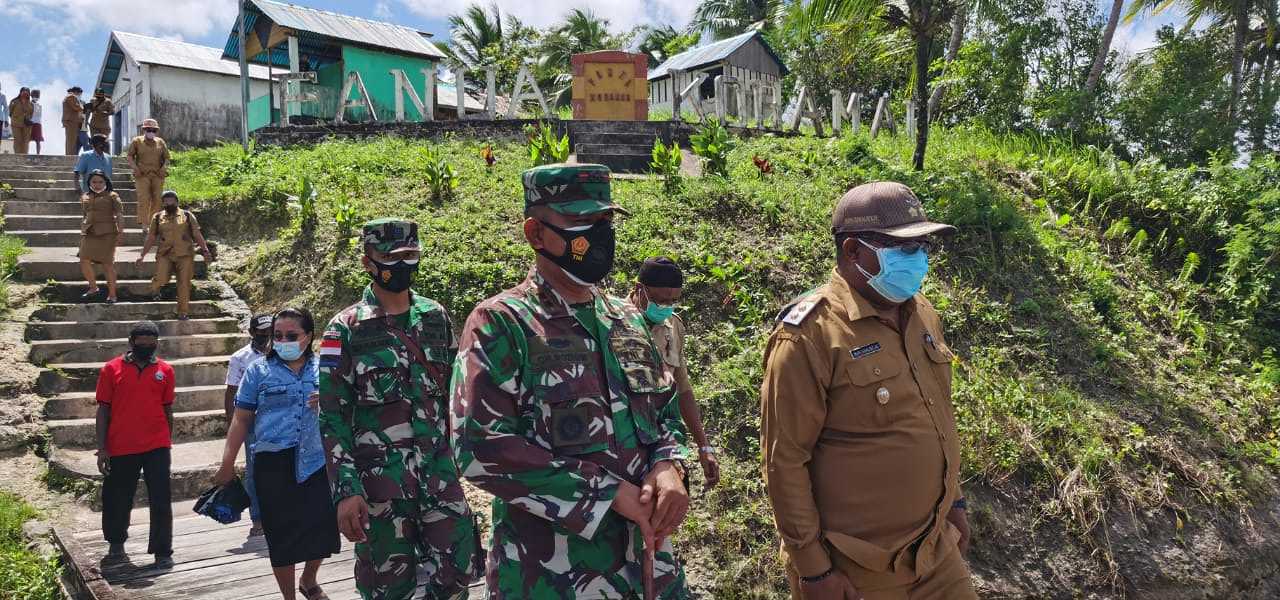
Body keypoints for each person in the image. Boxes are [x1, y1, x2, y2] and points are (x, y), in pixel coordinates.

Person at [451, 163, 693, 599]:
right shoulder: (501, 325)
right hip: (550, 577)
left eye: (604, 221)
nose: (598, 235)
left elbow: (665, 414)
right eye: (581, 222)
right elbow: (478, 447)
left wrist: (669, 466)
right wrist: (604, 493)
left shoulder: (629, 321)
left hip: (649, 570)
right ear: (536, 233)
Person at [760, 181, 975, 600]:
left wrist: (955, 503)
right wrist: (814, 571)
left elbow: (935, 416)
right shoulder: (809, 336)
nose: (917, 260)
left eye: (922, 247)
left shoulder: (922, 312)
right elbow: (783, 460)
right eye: (902, 248)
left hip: (935, 551)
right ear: (853, 251)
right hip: (857, 569)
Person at [318, 219, 482, 600]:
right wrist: (345, 490)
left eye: (410, 255)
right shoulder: (343, 329)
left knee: (458, 572)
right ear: (368, 263)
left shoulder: (435, 317)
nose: (402, 264)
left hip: (439, 475)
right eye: (391, 257)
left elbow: (453, 396)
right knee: (387, 586)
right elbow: (331, 414)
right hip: (380, 485)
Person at [215, 308, 340, 600]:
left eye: (291, 335)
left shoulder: (324, 370)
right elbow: (241, 418)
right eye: (278, 335)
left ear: (308, 337)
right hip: (273, 464)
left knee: (322, 528)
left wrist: (329, 401)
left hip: (316, 461)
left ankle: (309, 581)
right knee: (281, 534)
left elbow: (346, 412)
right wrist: (227, 463)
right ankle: (289, 596)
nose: (283, 341)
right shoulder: (258, 371)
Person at [628, 257, 719, 490]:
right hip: (625, 449)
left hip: (663, 447)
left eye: (673, 301)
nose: (666, 307)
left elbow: (683, 389)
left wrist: (704, 446)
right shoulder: (611, 322)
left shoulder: (673, 327)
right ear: (640, 289)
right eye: (660, 300)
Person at [95, 320, 175, 567]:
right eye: (141, 345)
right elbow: (103, 410)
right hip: (121, 445)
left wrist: (166, 441)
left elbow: (167, 408)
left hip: (157, 445)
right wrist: (103, 447)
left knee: (161, 498)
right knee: (117, 497)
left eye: (151, 345)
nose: (146, 349)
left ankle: (163, 551)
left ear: (156, 344)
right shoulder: (111, 369)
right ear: (131, 343)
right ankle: (116, 544)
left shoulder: (166, 370)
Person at [223, 313, 275, 538]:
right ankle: (258, 519)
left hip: (279, 418)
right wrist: (232, 423)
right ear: (252, 332)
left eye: (269, 332)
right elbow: (231, 391)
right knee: (254, 470)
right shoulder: (240, 358)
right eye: (261, 332)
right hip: (252, 421)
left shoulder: (282, 353)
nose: (266, 336)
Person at [135, 191, 213, 321]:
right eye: (166, 201)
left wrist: (205, 250)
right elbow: (151, 237)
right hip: (165, 253)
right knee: (162, 278)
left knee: (184, 283)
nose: (169, 203)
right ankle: (156, 287)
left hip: (185, 254)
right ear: (163, 203)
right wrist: (142, 255)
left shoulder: (187, 215)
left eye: (172, 201)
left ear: (177, 202)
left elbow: (196, 234)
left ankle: (183, 312)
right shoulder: (158, 217)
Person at [78, 170, 124, 303]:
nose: (97, 184)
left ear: (106, 182)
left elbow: (120, 215)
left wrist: (120, 233)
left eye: (100, 182)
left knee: (107, 264)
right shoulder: (85, 196)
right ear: (89, 183)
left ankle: (112, 294)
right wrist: (83, 231)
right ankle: (93, 287)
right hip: (89, 232)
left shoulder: (112, 196)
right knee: (83, 259)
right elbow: (84, 215)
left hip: (107, 233)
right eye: (94, 182)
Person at [127, 119, 170, 227]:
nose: (151, 132)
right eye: (148, 130)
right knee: (144, 198)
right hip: (142, 174)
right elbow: (130, 156)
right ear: (144, 130)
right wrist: (135, 168)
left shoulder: (160, 142)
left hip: (157, 175)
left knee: (157, 199)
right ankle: (144, 223)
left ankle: (153, 222)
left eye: (154, 130)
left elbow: (167, 158)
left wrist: (164, 168)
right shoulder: (137, 141)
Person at [8, 87, 34, 155]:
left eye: (27, 92)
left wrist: (27, 119)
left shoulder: (31, 104)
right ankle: (17, 155)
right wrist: (16, 118)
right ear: (20, 92)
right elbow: (10, 112)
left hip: (26, 125)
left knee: (26, 141)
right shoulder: (14, 101)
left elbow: (31, 114)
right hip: (16, 124)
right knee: (17, 140)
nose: (25, 93)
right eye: (24, 91)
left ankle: (24, 155)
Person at [63, 86, 85, 155]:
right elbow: (76, 107)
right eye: (79, 93)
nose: (80, 95)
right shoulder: (71, 97)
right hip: (71, 121)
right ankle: (70, 156)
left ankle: (70, 155)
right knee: (71, 140)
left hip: (72, 121)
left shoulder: (70, 97)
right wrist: (83, 107)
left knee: (72, 140)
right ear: (76, 92)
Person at [29, 89, 44, 154]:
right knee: (28, 138)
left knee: (38, 140)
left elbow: (40, 115)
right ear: (32, 95)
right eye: (36, 95)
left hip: (38, 123)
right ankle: (26, 152)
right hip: (31, 122)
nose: (38, 96)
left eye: (38, 95)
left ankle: (38, 153)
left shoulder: (39, 105)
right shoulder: (29, 103)